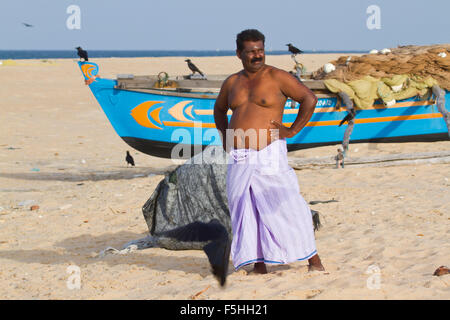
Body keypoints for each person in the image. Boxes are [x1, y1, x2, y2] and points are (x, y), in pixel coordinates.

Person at [213, 29, 324, 274]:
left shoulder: (277, 77)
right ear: (239, 53)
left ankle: (314, 260)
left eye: (260, 50)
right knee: (246, 209)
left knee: (286, 205)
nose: (257, 55)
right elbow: (219, 109)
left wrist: (293, 129)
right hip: (240, 156)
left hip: (269, 153)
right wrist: (224, 136)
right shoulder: (232, 82)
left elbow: (309, 98)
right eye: (251, 51)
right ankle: (260, 264)